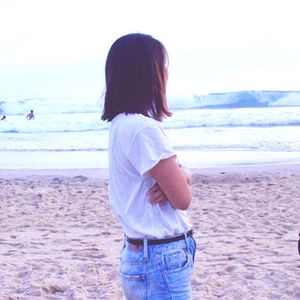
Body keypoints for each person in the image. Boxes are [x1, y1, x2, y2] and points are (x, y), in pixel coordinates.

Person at [101, 33, 196, 299]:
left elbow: (173, 183)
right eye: (162, 64)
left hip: (144, 252)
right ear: (149, 74)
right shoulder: (143, 129)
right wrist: (183, 175)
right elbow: (183, 198)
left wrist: (180, 175)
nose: (166, 72)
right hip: (160, 255)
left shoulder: (121, 123)